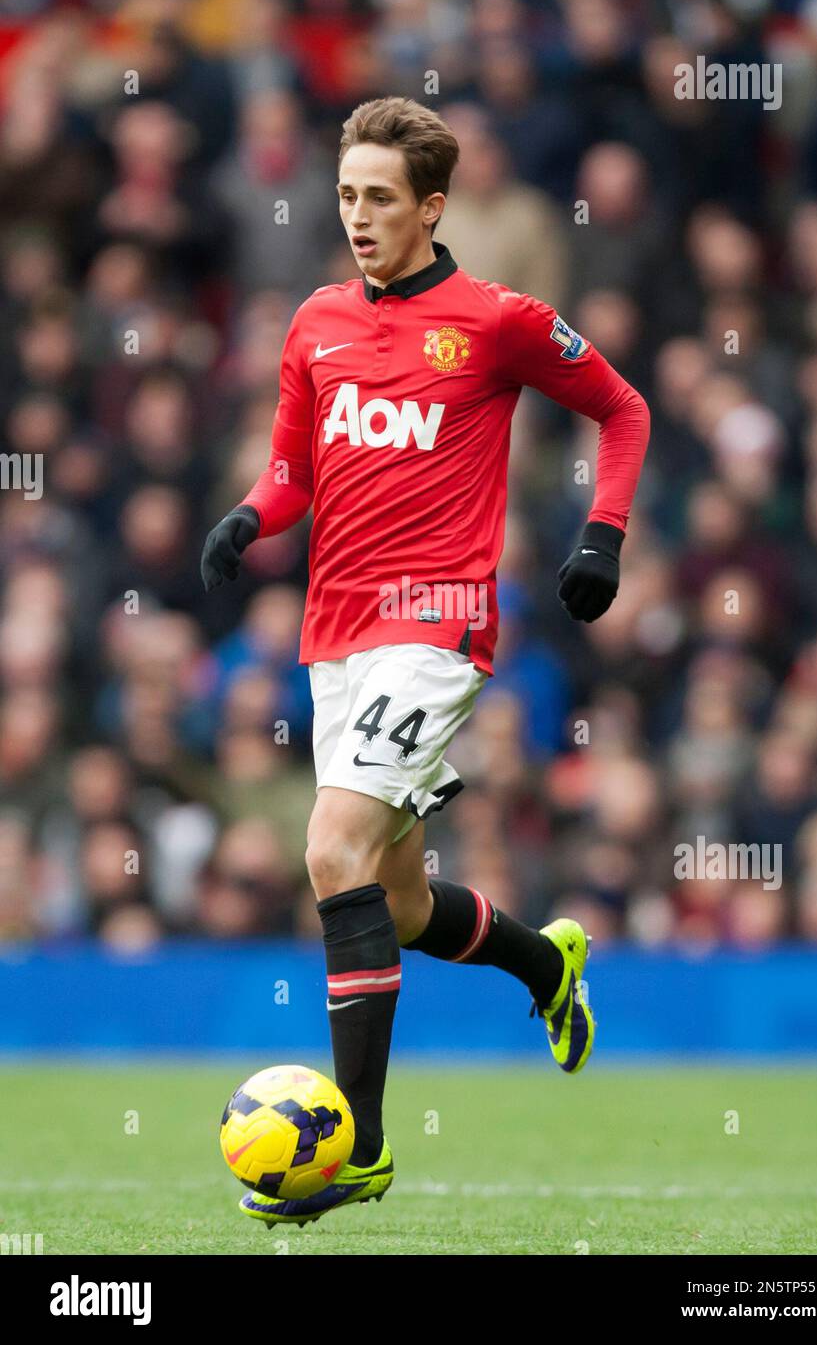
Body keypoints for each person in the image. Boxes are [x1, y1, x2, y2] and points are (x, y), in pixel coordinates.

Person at [201, 96, 650, 1229]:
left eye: (380, 199)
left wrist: (601, 532)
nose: (356, 216)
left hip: (438, 623)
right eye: (346, 194)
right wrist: (251, 517)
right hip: (334, 636)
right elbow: (295, 468)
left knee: (330, 850)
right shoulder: (314, 320)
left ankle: (357, 1146)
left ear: (432, 207)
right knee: (392, 902)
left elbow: (622, 409)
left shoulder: (496, 320)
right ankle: (544, 968)